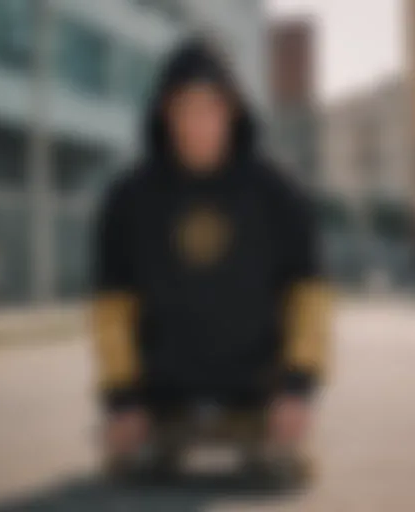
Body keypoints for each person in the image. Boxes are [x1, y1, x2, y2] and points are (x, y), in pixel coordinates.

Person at [92, 38, 332, 474]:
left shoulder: (278, 193)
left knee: (279, 470)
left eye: (210, 108)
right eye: (185, 108)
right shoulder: (127, 198)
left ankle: (269, 432)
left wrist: (298, 389)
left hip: (257, 399)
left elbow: (309, 296)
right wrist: (121, 399)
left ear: (233, 110)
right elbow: (113, 306)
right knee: (129, 463)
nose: (197, 123)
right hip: (159, 402)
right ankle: (147, 433)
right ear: (165, 113)